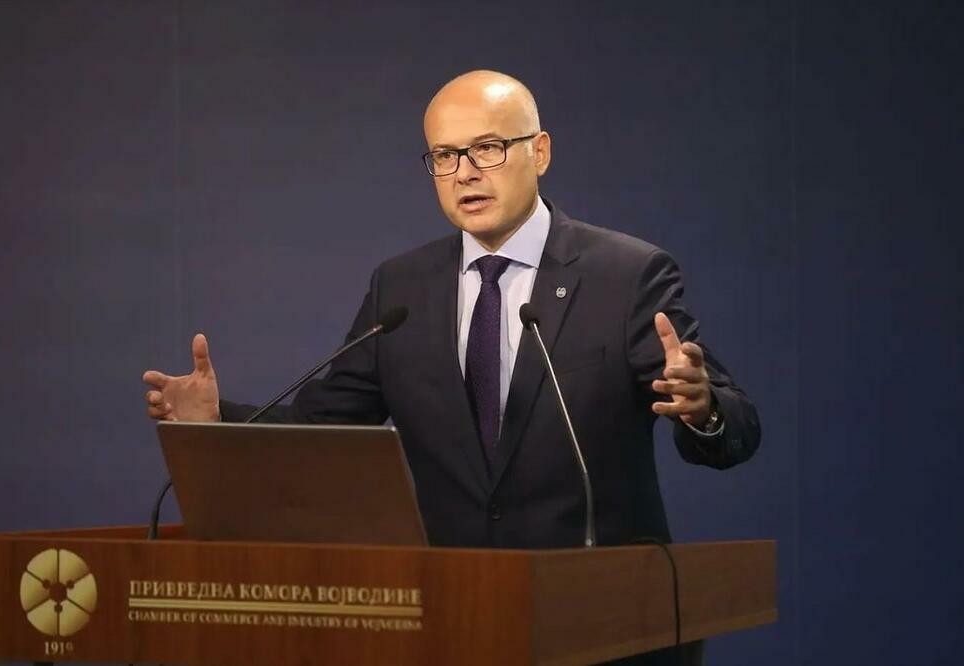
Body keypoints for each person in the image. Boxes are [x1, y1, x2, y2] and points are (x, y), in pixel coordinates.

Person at [142, 70, 760, 665]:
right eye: (444, 155)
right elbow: (322, 426)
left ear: (540, 151)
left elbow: (735, 426)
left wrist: (702, 407)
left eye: (487, 148)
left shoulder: (626, 275)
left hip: (601, 622)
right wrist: (215, 422)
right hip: (448, 619)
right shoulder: (402, 288)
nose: (465, 172)